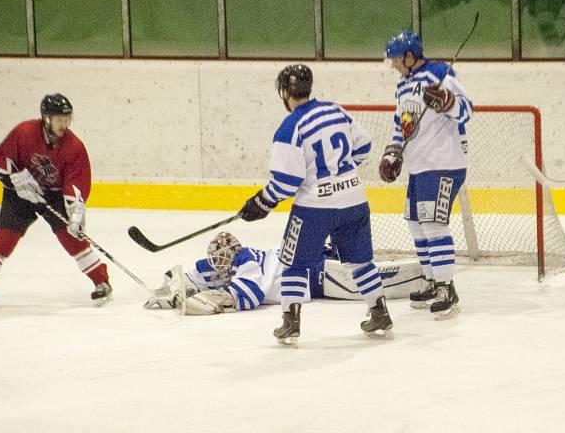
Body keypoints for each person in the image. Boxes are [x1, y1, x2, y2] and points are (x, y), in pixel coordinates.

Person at [237, 64, 393, 345]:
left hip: (314, 210)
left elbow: (287, 181)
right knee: (360, 262)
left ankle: (291, 322)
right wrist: (339, 175)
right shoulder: (335, 110)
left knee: (293, 262)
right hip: (354, 201)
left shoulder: (289, 127)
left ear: (284, 93)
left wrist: (263, 201)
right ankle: (380, 312)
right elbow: (364, 145)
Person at [0, 93, 111, 309]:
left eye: (67, 119)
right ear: (46, 119)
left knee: (71, 236)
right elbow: (2, 159)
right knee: (5, 237)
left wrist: (75, 213)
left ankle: (102, 281)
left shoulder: (74, 146)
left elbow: (76, 181)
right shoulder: (24, 132)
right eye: (59, 120)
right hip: (19, 193)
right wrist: (16, 179)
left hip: (53, 195)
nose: (64, 124)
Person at [379, 30, 473, 319]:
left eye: (396, 59)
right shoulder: (403, 86)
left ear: (410, 55)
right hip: (419, 164)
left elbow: (467, 110)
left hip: (443, 161)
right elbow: (401, 123)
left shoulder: (440, 74)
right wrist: (392, 152)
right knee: (415, 222)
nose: (394, 64)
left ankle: (447, 288)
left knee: (433, 224)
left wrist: (448, 102)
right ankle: (433, 281)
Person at [144, 232, 426, 315]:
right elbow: (187, 274)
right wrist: (168, 288)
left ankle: (428, 273)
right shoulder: (227, 262)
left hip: (319, 275)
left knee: (375, 281)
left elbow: (249, 296)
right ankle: (429, 270)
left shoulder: (245, 261)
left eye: (223, 260)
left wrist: (208, 299)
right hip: (312, 260)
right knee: (363, 268)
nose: (219, 265)